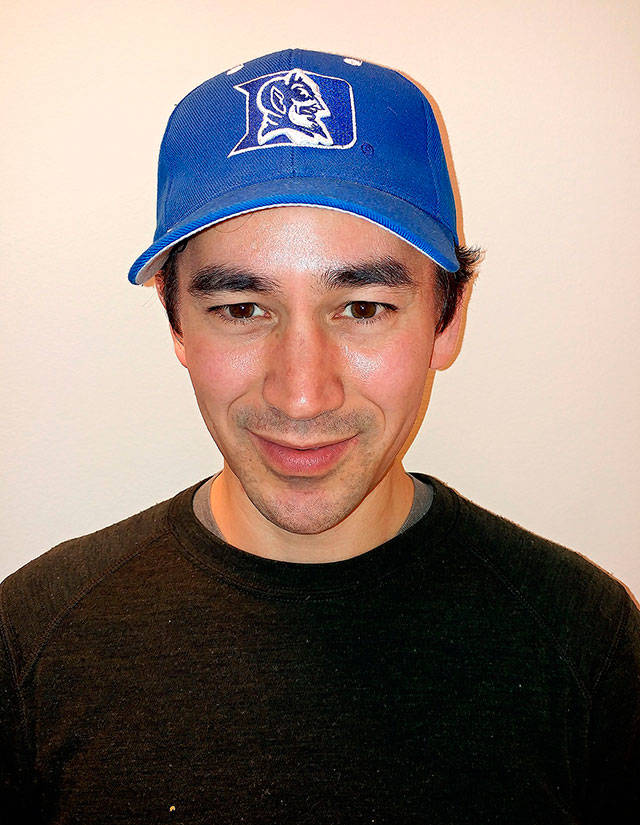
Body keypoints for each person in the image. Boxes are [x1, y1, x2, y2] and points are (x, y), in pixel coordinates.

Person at [1, 47, 638, 824]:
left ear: (448, 318)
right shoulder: (32, 644)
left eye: (363, 307)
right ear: (174, 321)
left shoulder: (585, 646)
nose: (302, 393)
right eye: (243, 309)